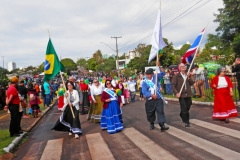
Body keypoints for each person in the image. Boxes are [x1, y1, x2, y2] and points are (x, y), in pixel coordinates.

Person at [142, 62, 169, 131]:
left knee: (160, 111)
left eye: (149, 74)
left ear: (152, 74)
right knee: (150, 113)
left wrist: (159, 66)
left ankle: (162, 124)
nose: (148, 76)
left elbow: (163, 73)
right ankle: (151, 123)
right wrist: (151, 95)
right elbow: (144, 91)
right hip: (150, 99)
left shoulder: (156, 77)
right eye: (147, 74)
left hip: (158, 98)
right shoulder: (145, 82)